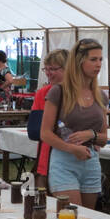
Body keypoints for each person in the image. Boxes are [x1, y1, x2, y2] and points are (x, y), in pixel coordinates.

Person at [40, 38, 109, 209]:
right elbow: (45, 133)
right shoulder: (59, 91)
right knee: (71, 216)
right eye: (93, 59)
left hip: (90, 160)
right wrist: (72, 148)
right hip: (64, 161)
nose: (98, 64)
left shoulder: (100, 96)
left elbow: (104, 139)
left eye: (101, 59)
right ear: (79, 62)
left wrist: (91, 135)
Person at [28, 50, 68, 189]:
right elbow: (34, 131)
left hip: (71, 155)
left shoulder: (81, 93)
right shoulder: (42, 93)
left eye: (53, 69)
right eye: (47, 69)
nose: (48, 73)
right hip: (47, 152)